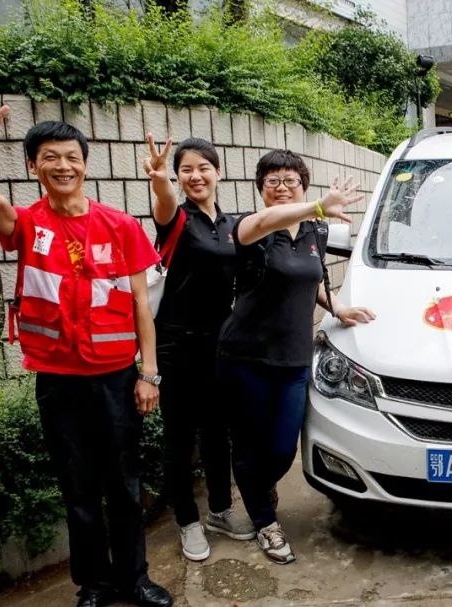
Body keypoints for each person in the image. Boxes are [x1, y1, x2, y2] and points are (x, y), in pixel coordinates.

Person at [0, 94, 173, 607]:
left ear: (85, 163)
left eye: (72, 156)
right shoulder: (27, 224)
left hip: (116, 379)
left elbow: (141, 308)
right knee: (78, 489)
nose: (63, 165)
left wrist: (149, 373)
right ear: (34, 166)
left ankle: (135, 579)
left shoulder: (119, 226)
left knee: (124, 485)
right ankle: (94, 584)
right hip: (58, 381)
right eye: (51, 157)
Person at [217, 150, 375, 565]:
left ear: (303, 184)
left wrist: (337, 307)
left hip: (292, 358)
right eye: (273, 181)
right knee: (250, 446)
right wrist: (317, 204)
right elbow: (263, 222)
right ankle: (265, 522)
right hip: (245, 357)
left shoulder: (315, 232)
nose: (282, 187)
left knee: (283, 446)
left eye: (290, 180)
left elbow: (313, 281)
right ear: (261, 190)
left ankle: (257, 489)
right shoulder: (250, 228)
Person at [143, 135, 255, 562]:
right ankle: (188, 521)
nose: (196, 176)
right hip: (176, 345)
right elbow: (164, 204)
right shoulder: (177, 218)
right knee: (179, 438)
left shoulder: (229, 225)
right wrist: (159, 182)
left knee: (216, 434)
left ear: (219, 172)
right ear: (178, 176)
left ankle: (221, 510)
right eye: (186, 169)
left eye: (203, 167)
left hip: (217, 346)